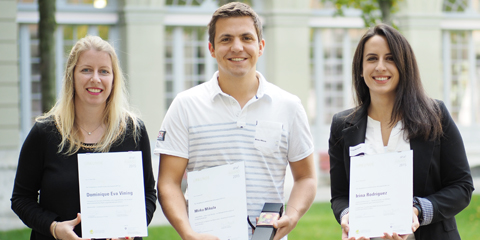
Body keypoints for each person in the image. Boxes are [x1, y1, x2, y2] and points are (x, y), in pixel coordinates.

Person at [155, 2, 317, 240]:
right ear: (211, 48)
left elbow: (307, 177)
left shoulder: (289, 106)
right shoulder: (185, 105)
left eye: (246, 38)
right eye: (226, 39)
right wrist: (188, 234)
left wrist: (292, 215)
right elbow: (168, 182)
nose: (237, 47)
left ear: (260, 46)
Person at [328, 24, 474, 240]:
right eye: (371, 58)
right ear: (360, 68)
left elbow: (462, 187)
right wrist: (348, 215)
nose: (380, 66)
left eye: (390, 58)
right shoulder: (342, 125)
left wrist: (417, 210)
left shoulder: (436, 116)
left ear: (404, 65)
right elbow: (340, 196)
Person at [11, 35, 157, 240]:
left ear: (114, 78)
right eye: (86, 69)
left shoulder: (133, 131)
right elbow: (21, 199)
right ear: (72, 75)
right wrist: (53, 227)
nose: (95, 78)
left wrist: (131, 228)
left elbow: (148, 195)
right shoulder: (45, 132)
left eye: (104, 71)